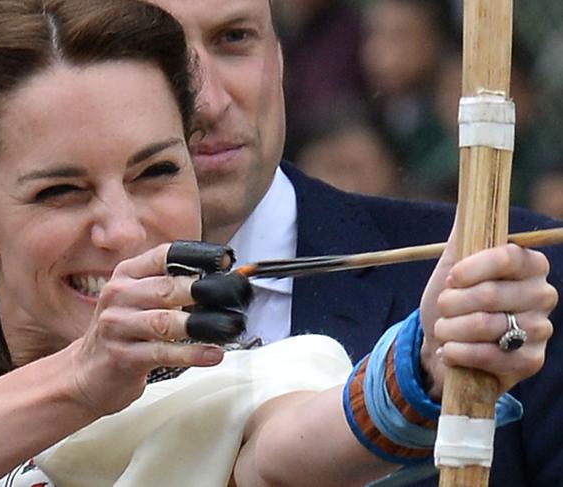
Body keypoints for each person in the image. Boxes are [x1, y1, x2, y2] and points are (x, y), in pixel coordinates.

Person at [0, 1, 556, 486]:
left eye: (156, 172)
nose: (124, 230)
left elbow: (301, 435)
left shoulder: (238, 382)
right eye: (61, 191)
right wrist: (82, 381)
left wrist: (424, 357)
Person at [146, 1, 563, 485]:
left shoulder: (519, 275)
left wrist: (420, 372)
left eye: (235, 38)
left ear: (279, 56)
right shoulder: (45, 313)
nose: (209, 101)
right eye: (158, 51)